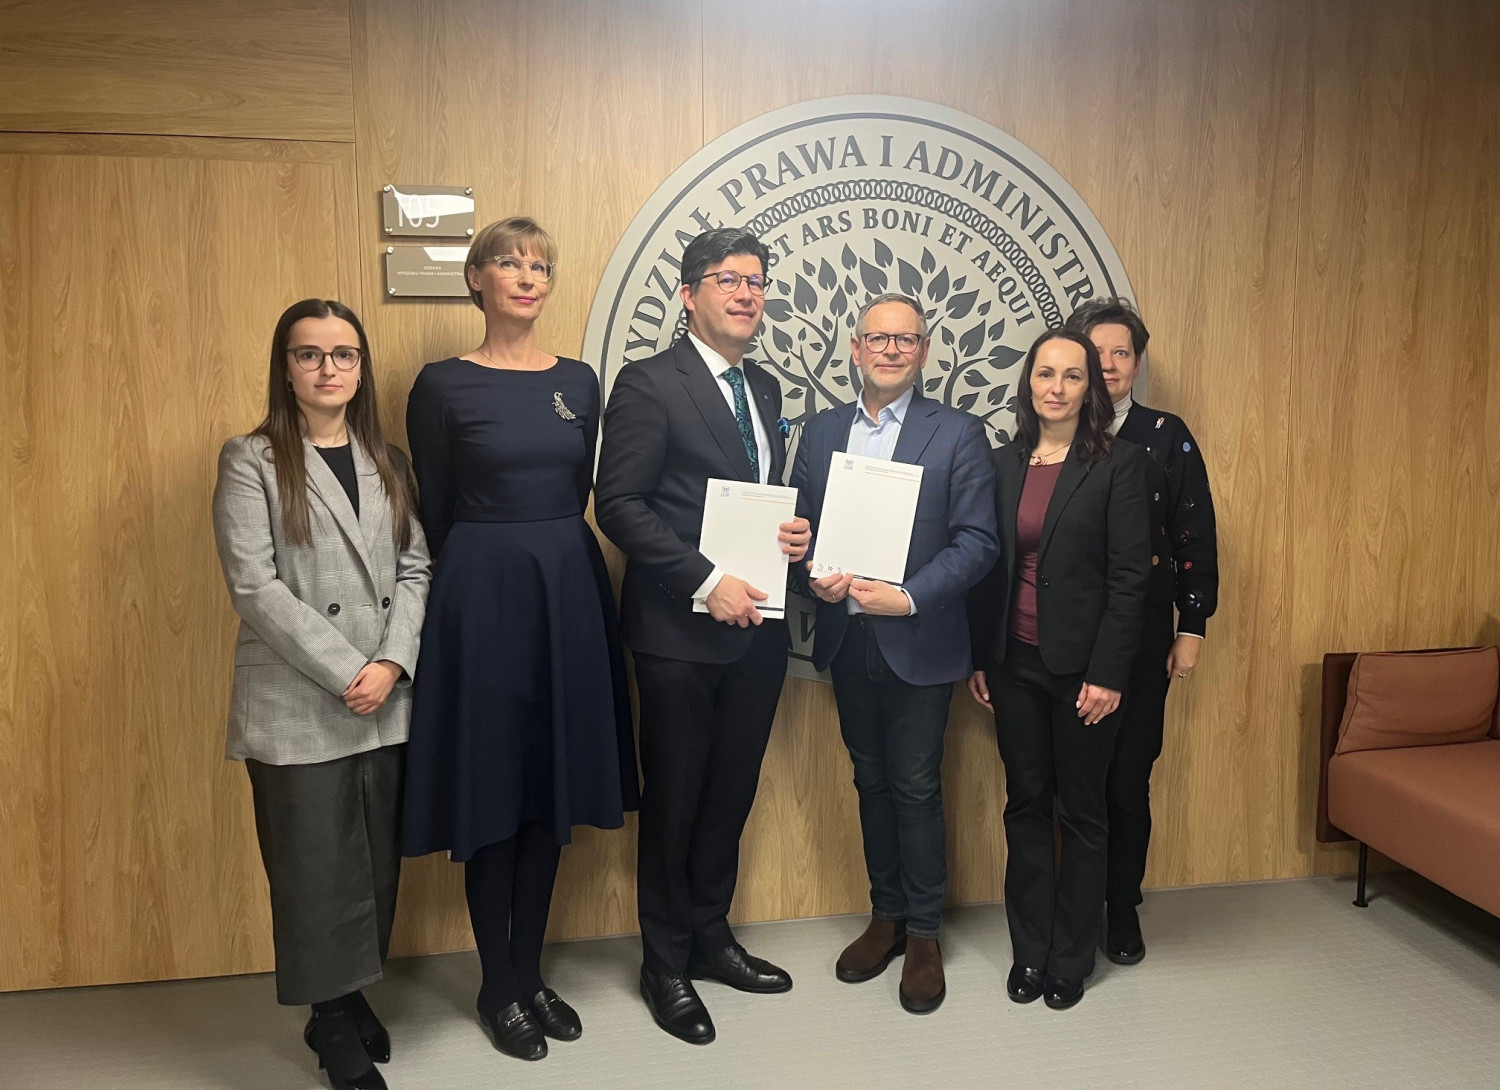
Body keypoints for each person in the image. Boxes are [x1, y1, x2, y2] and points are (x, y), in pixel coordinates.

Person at [400, 218, 639, 1062]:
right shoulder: (441, 385)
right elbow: (433, 510)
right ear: (477, 279)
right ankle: (496, 984)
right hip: (482, 597)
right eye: (510, 262)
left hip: (567, 590)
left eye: (541, 265)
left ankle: (530, 972)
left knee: (549, 786)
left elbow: (578, 489)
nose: (529, 276)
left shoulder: (578, 380)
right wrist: (472, 587)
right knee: (494, 787)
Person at [595, 226, 811, 1046]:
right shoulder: (650, 384)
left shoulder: (764, 388)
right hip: (678, 634)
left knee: (730, 794)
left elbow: (753, 495)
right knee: (678, 798)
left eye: (757, 281)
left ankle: (711, 935)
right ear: (689, 295)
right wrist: (703, 579)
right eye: (729, 280)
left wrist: (793, 534)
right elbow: (619, 504)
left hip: (757, 630)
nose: (747, 293)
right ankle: (664, 961)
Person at [212, 298, 431, 1090]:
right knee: (314, 871)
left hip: (385, 696)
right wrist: (348, 670)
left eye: (343, 354)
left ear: (361, 368)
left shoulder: (389, 461)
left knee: (373, 866)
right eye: (309, 354)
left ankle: (350, 994)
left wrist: (393, 662)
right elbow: (254, 586)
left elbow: (416, 567)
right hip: (300, 698)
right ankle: (331, 1022)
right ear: (286, 368)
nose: (327, 368)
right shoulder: (252, 459)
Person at [791, 293, 998, 1015]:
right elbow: (801, 529)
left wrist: (907, 597)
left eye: (905, 339)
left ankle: (925, 933)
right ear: (854, 348)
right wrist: (810, 571)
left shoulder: (959, 433)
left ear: (925, 351)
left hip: (919, 638)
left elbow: (978, 541)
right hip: (847, 637)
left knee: (914, 785)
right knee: (870, 781)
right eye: (877, 338)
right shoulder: (822, 431)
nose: (890, 350)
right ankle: (886, 916)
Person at [966, 327, 1150, 1011]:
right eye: (1046, 373)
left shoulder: (1120, 465)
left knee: (1081, 812)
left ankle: (1071, 957)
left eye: (1074, 376)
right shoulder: (1001, 463)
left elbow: (1130, 579)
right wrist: (982, 656)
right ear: (1028, 383)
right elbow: (986, 567)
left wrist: (1109, 674)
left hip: (1084, 674)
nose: (1057, 387)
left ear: (1090, 388)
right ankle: (1030, 951)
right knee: (1025, 804)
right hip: (1013, 663)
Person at [1065, 298, 1219, 965]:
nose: (1107, 365)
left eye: (1120, 353)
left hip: (1146, 632)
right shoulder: (1054, 434)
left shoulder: (1164, 434)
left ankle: (1121, 906)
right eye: (1095, 353)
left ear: (1137, 362)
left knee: (1128, 779)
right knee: (1074, 784)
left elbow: (1194, 533)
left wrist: (1193, 627)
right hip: (1068, 634)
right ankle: (1075, 904)